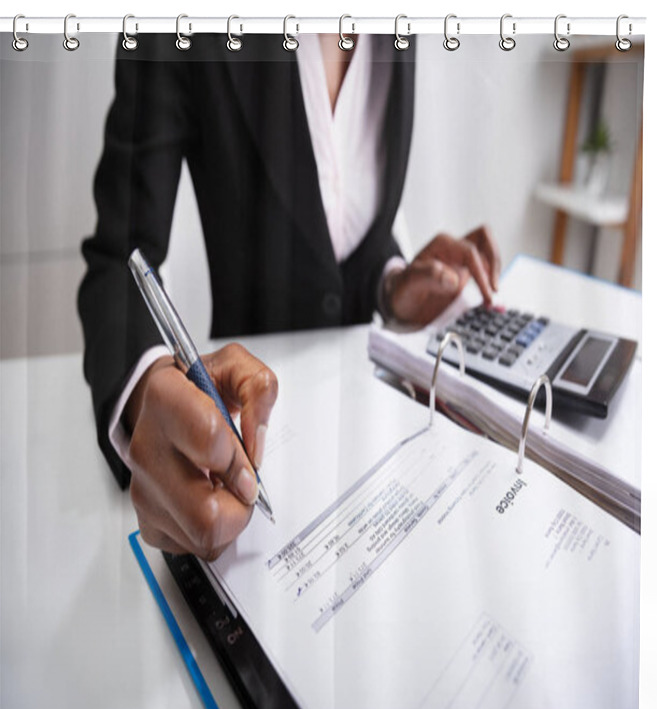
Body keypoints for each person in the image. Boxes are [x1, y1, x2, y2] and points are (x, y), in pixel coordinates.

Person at [79, 33, 500, 561]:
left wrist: (392, 286)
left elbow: (339, 227)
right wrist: (146, 391)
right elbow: (120, 260)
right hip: (247, 434)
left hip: (374, 430)